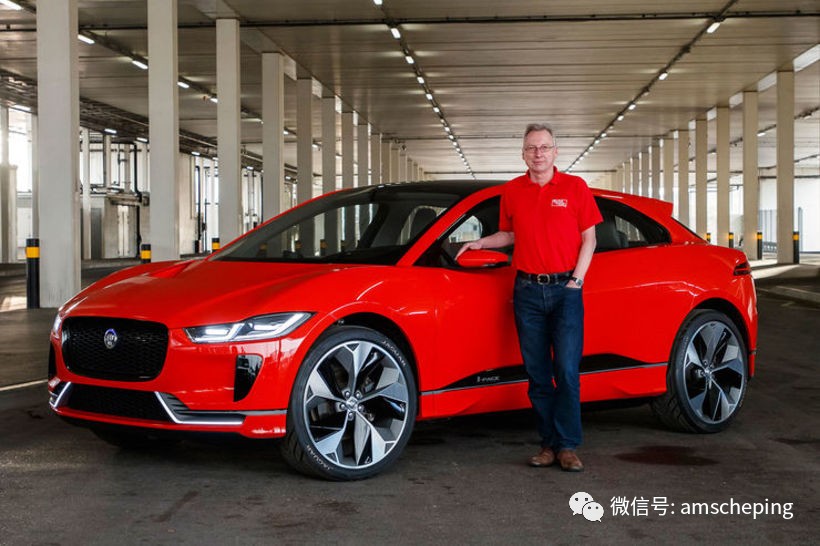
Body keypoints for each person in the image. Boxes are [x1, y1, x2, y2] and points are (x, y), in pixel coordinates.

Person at [457, 123, 602, 472]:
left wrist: (576, 282)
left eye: (544, 147)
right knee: (537, 373)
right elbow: (508, 235)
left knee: (566, 370)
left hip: (565, 290)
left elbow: (590, 238)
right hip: (527, 291)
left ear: (555, 152)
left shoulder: (575, 187)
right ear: (523, 154)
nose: (538, 153)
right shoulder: (513, 191)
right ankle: (548, 444)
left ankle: (568, 445)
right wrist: (480, 242)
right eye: (532, 148)